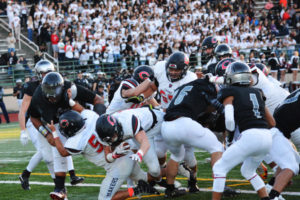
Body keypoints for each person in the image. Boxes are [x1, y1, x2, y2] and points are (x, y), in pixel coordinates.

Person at [49, 109, 159, 200]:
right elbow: (80, 107)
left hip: (117, 166)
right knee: (145, 177)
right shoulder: (90, 117)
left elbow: (62, 152)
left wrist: (54, 132)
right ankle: (170, 176)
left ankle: (138, 190)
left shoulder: (76, 142)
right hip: (126, 154)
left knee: (104, 198)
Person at [28, 72, 103, 199]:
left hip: (80, 119)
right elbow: (33, 118)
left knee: (99, 147)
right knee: (58, 150)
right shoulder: (37, 97)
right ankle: (60, 188)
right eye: (49, 97)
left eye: (54, 96)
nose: (52, 99)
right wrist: (46, 134)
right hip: (58, 125)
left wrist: (101, 119)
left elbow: (98, 100)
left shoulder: (70, 88)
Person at [212, 62, 275, 200]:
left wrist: (229, 139)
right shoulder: (257, 92)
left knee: (219, 168)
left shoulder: (229, 92)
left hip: (250, 136)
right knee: (247, 170)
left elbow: (229, 120)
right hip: (266, 137)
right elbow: (272, 122)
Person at [18, 60, 84, 191]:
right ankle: (57, 183)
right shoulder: (31, 87)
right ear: (38, 74)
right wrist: (23, 130)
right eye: (42, 73)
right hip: (36, 121)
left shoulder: (57, 83)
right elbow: (24, 111)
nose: (45, 76)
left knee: (61, 146)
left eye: (48, 72)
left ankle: (68, 178)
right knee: (47, 155)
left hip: (52, 120)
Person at [162, 77, 224, 197]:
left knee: (176, 156)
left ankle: (170, 189)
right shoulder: (207, 86)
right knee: (217, 147)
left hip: (167, 126)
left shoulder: (184, 87)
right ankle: (220, 185)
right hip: (183, 123)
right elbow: (215, 106)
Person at [97, 106, 165, 185]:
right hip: (139, 133)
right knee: (154, 170)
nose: (112, 140)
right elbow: (107, 158)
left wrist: (139, 154)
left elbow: (145, 144)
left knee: (167, 150)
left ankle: (177, 165)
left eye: (113, 135)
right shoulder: (104, 135)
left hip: (158, 123)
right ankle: (161, 181)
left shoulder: (128, 122)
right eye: (110, 139)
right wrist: (114, 155)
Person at [267, 90, 300, 200]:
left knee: (290, 162)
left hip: (275, 132)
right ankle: (273, 197)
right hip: (275, 133)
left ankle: (271, 186)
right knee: (292, 166)